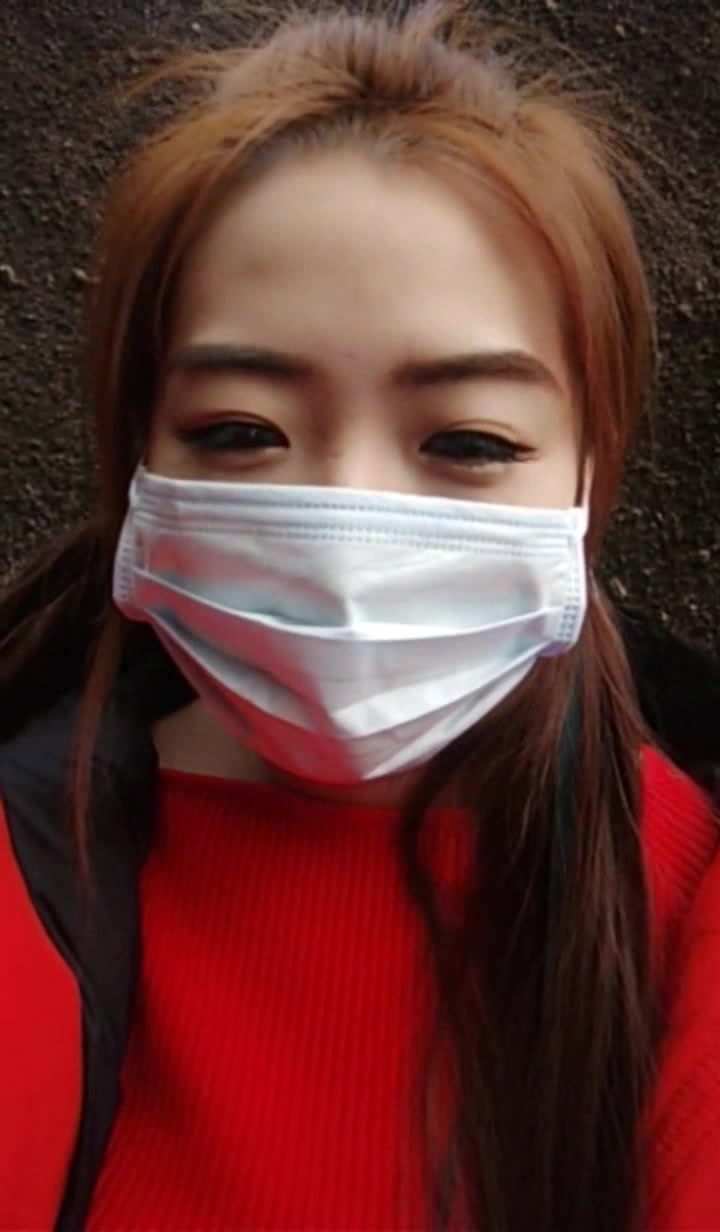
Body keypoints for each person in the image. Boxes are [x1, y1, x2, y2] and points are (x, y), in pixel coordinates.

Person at [1, 5, 718, 1230]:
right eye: (240, 429)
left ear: (587, 480)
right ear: (136, 458)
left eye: (469, 442)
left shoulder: (688, 892)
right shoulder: (28, 857)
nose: (344, 525)